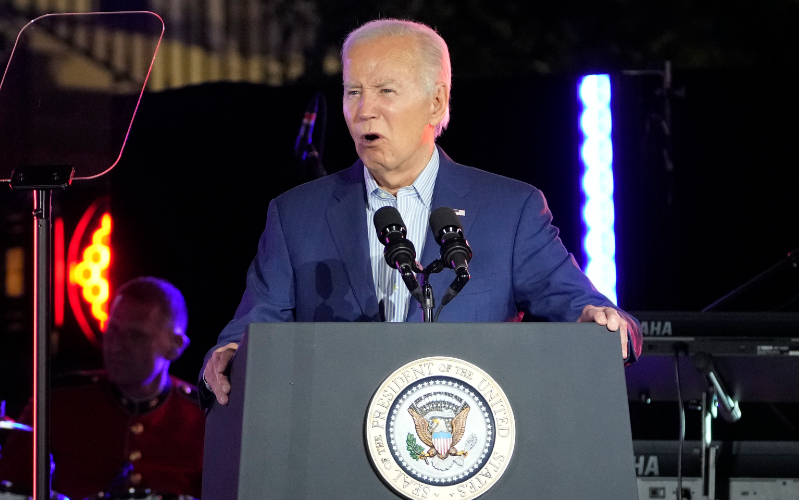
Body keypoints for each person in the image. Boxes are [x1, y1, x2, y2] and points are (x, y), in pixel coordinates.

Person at [201, 19, 643, 407]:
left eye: (384, 91)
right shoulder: (295, 215)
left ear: (435, 102)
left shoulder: (510, 211)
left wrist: (603, 322)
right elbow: (252, 330)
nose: (362, 110)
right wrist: (229, 355)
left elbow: (582, 306)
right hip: (335, 450)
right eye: (352, 91)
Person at [0, 277, 204, 500]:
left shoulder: (201, 417)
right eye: (113, 330)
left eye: (136, 336)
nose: (116, 346)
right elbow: (11, 487)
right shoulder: (61, 401)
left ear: (175, 347)